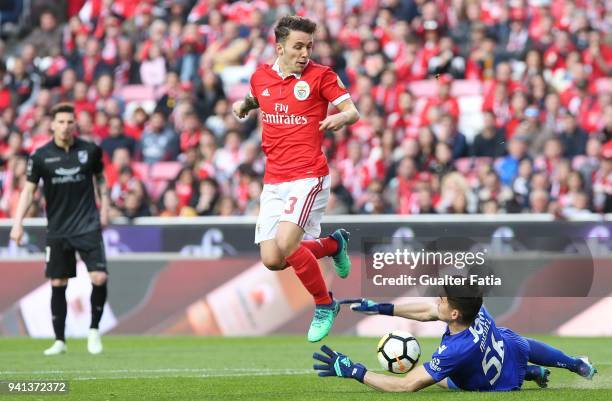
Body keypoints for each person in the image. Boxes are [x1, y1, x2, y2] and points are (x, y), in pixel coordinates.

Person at [232, 15, 360, 342]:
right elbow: (256, 96)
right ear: (280, 48)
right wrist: (244, 106)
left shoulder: (321, 76)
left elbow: (352, 111)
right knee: (273, 259)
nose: (305, 53)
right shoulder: (261, 76)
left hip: (308, 175)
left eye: (309, 46)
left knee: (289, 243)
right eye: (298, 46)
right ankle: (334, 244)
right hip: (274, 180)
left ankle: (325, 303)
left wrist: (340, 118)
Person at [313, 283, 597, 391]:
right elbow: (428, 312)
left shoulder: (454, 351)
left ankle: (529, 373)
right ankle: (576, 365)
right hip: (507, 349)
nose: (439, 300)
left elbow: (407, 385)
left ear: (454, 315)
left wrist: (356, 371)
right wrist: (381, 308)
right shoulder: (477, 309)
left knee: (446, 381)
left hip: (487, 379)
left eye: (444, 300)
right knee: (520, 343)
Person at [10, 103, 110, 356]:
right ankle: (59, 340)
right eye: (61, 122)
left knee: (99, 277)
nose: (65, 126)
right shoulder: (41, 156)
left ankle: (94, 331)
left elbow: (100, 179)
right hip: (58, 229)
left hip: (87, 224)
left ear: (75, 124)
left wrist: (105, 207)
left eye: (69, 122)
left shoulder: (90, 150)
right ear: (52, 125)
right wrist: (18, 223)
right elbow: (29, 191)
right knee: (58, 282)